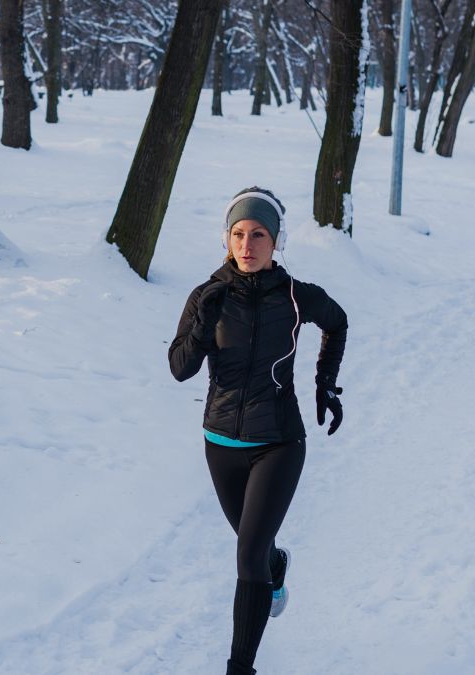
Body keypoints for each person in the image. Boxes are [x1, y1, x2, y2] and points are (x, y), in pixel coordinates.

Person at [168, 187, 348, 675]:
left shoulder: (295, 297)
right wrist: (203, 324)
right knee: (257, 550)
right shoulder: (207, 295)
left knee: (246, 555)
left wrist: (325, 384)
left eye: (258, 235)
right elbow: (180, 369)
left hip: (279, 443)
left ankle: (239, 667)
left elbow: (338, 322)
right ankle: (274, 566)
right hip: (221, 443)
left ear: (276, 241)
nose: (247, 245)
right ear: (227, 239)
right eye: (238, 234)